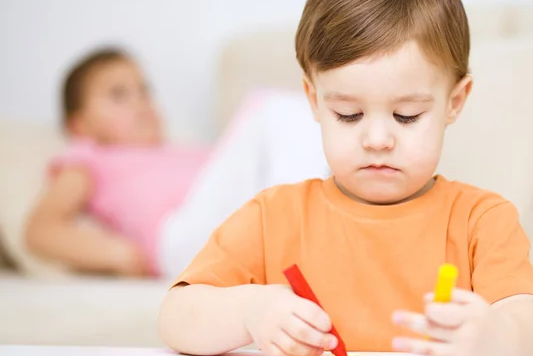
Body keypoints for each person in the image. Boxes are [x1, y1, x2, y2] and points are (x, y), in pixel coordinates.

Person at [158, 0, 533, 356]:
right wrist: (249, 309)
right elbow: (175, 316)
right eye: (348, 114)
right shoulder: (272, 217)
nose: (377, 139)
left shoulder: (481, 220)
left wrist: (493, 336)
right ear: (314, 100)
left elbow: (528, 316)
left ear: (454, 102)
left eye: (406, 116)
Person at [25, 49, 328, 278]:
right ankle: (305, 254)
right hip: (178, 238)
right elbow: (40, 230)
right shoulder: (89, 156)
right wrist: (117, 254)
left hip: (229, 220)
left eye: (144, 91)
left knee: (292, 121)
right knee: (272, 110)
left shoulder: (175, 150)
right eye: (118, 95)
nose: (140, 102)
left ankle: (319, 239)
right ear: (79, 125)